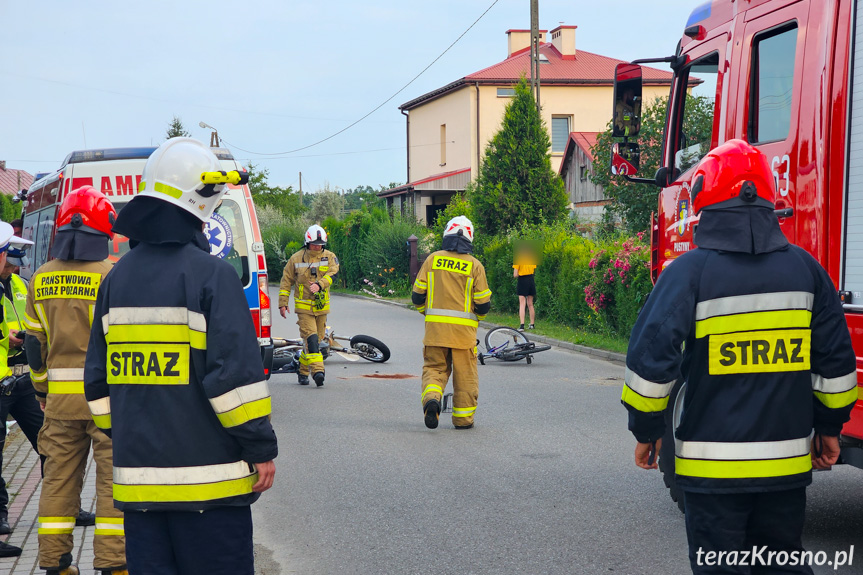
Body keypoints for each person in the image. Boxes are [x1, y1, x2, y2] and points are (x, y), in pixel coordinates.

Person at [622, 140, 857, 575]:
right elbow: (836, 364)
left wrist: (647, 429)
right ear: (768, 200)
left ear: (704, 203)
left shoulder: (688, 273)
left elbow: (651, 361)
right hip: (785, 471)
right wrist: (829, 428)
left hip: (712, 479)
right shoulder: (807, 271)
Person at [84, 137, 277, 575]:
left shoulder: (116, 280)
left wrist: (138, 431)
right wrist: (261, 449)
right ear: (201, 197)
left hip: (139, 494)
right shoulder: (214, 276)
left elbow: (97, 385)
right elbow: (235, 384)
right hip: (211, 494)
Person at [24, 186, 126, 575]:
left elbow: (34, 346)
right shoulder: (112, 277)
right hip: (109, 403)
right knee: (112, 484)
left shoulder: (41, 278)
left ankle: (55, 565)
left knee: (57, 484)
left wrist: (40, 391)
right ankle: (114, 566)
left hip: (59, 405)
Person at [412, 216, 491, 430]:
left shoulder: (432, 260)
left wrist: (428, 314)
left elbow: (417, 297)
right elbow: (483, 305)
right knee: (465, 378)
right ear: (469, 237)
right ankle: (463, 420)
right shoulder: (475, 265)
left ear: (447, 233)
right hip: (463, 337)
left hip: (435, 333)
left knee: (435, 370)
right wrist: (475, 321)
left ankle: (432, 400)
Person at [278, 225, 340, 386]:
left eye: (320, 244)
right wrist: (283, 304)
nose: (317, 247)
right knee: (311, 340)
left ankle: (302, 370)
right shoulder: (296, 259)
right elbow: (286, 282)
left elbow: (334, 273)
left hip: (321, 308)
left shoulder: (330, 257)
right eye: (314, 244)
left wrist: (320, 284)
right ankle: (318, 372)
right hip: (304, 308)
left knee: (316, 342)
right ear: (307, 243)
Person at [512, 242, 537, 330]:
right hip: (531, 279)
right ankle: (532, 324)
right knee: (530, 303)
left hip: (522, 280)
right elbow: (533, 270)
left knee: (522, 303)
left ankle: (522, 325)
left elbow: (515, 274)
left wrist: (520, 273)